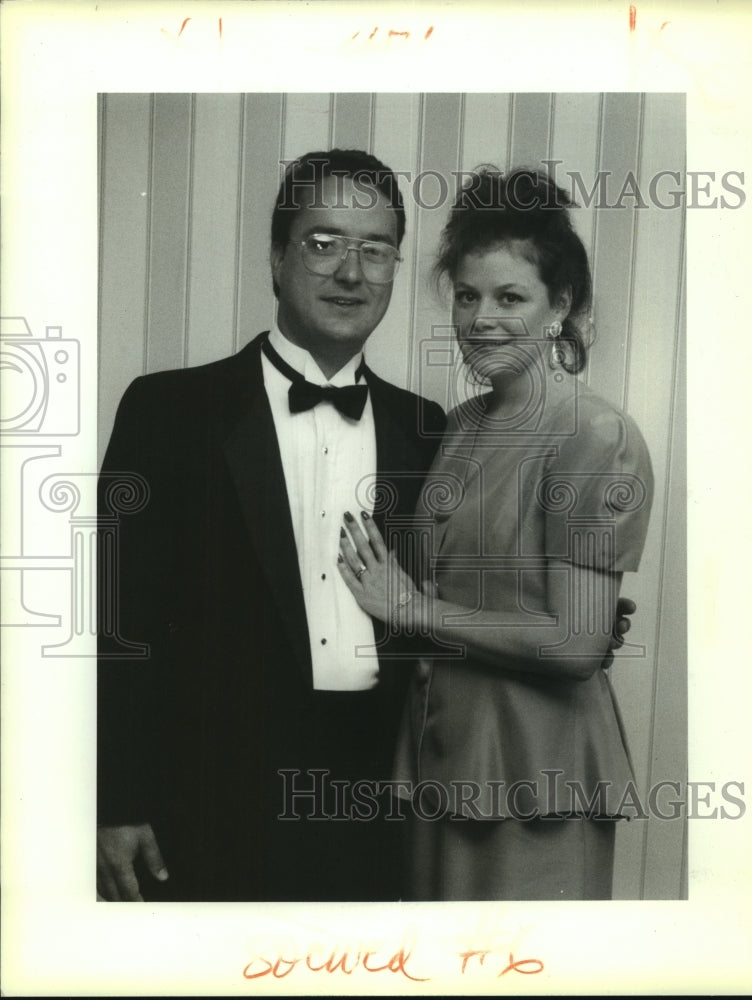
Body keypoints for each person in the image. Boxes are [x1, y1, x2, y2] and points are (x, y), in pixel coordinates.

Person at [96, 149, 635, 903]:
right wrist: (116, 802)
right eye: (324, 242)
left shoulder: (426, 428)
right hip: (208, 801)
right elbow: (120, 624)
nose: (352, 271)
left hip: (386, 792)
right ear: (277, 258)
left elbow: (470, 588)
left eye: (376, 249)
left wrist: (582, 623)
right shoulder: (169, 411)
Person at [337, 166, 654, 901]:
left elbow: (576, 645)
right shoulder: (461, 427)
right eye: (469, 296)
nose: (482, 319)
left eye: (511, 297)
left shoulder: (595, 433)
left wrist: (412, 608)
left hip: (536, 774)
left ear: (561, 305)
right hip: (439, 758)